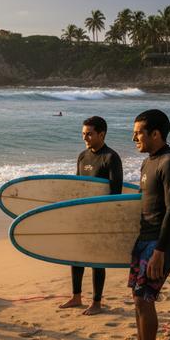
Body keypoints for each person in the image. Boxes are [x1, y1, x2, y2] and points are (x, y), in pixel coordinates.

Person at [120, 109, 170, 340]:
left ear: (156, 133)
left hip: (160, 242)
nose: (134, 137)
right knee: (138, 298)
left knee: (145, 299)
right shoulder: (148, 162)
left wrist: (159, 250)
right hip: (143, 238)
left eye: (138, 132)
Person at [59, 116, 123, 315]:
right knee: (75, 256)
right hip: (82, 215)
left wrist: (106, 219)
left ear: (101, 134)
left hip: (100, 217)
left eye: (89, 134)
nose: (85, 137)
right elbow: (78, 188)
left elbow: (116, 193)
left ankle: (96, 302)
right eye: (83, 134)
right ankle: (76, 297)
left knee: (96, 260)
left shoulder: (111, 158)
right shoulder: (82, 156)